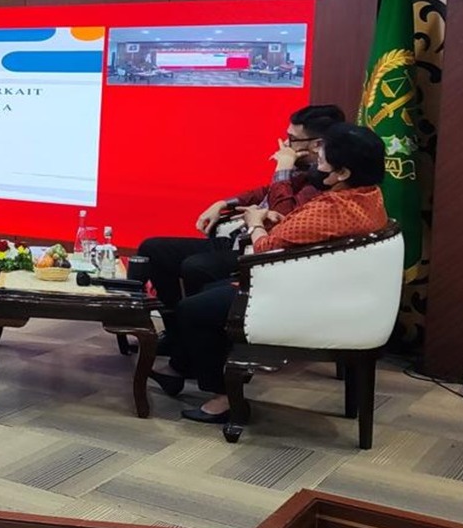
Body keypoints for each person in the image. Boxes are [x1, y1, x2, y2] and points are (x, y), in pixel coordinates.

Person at [150, 122, 390, 424]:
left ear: (343, 172)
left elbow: (266, 249)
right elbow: (292, 226)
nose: (316, 161)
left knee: (194, 308)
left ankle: (225, 397)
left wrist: (255, 222)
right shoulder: (367, 195)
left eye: (322, 157)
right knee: (206, 291)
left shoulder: (331, 207)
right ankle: (183, 368)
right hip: (314, 283)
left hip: (298, 294)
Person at [128, 104, 346, 318]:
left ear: (317, 144)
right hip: (239, 239)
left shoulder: (325, 179)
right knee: (152, 248)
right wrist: (223, 203)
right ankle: (173, 327)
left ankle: (190, 326)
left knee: (195, 266)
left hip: (259, 250)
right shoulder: (304, 167)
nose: (285, 144)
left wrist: (283, 168)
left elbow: (282, 221)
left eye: (293, 139)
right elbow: (266, 191)